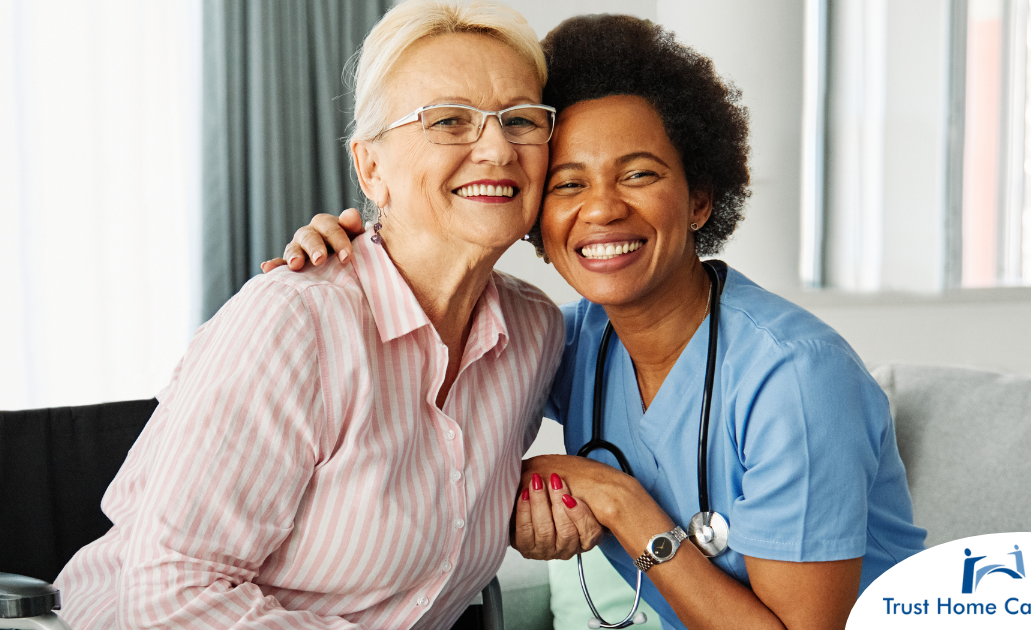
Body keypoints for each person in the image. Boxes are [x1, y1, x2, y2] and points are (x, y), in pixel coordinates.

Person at [266, 13, 926, 630]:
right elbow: (433, 389)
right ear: (537, 223)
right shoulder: (565, 341)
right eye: (569, 184)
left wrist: (617, 502)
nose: (603, 210)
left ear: (699, 200)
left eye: (638, 174)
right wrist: (349, 253)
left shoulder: (795, 379)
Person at [53, 2, 604, 628]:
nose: (498, 148)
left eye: (521, 120)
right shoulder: (294, 322)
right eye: (449, 121)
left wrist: (527, 504)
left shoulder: (536, 333)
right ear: (370, 167)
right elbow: (170, 594)